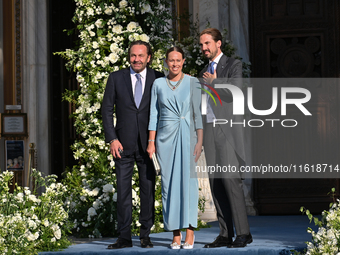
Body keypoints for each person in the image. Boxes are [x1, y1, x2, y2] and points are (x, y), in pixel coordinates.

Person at [101, 40, 164, 249]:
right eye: (133, 56)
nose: (136, 59)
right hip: (122, 145)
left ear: (149, 58)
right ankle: (124, 237)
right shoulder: (116, 78)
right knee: (123, 192)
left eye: (140, 56)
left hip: (149, 145)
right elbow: (106, 110)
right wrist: (112, 138)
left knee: (148, 191)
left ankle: (145, 235)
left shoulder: (159, 78)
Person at [199, 28, 252, 248]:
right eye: (201, 45)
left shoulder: (233, 65)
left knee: (231, 180)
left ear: (218, 43)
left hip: (226, 129)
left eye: (207, 44)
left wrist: (214, 82)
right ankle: (225, 233)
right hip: (209, 128)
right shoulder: (203, 70)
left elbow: (236, 92)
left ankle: (243, 233)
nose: (204, 48)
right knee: (216, 181)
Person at [147, 46, 203, 249]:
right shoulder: (158, 84)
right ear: (165, 62)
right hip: (164, 139)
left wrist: (200, 141)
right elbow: (154, 114)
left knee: (188, 184)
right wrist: (151, 142)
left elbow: (198, 113)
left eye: (178, 60)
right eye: (171, 60)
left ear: (184, 61)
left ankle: (190, 231)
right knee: (169, 187)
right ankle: (175, 234)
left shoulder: (193, 82)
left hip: (188, 136)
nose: (175, 64)